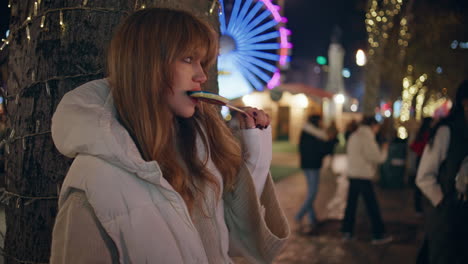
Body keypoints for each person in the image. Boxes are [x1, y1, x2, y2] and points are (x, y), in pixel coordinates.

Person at [49, 8, 289, 264]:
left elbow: (230, 239)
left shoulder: (197, 155)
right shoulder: (92, 189)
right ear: (147, 66)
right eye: (188, 59)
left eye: (202, 62)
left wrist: (255, 144)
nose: (202, 76)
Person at [416, 80, 468, 264]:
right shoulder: (446, 131)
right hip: (447, 219)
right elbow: (424, 177)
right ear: (464, 102)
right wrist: (443, 203)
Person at [341, 116, 392, 244]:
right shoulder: (367, 137)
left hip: (353, 174)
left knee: (351, 206)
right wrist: (385, 149)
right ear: (373, 125)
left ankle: (347, 232)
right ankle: (378, 234)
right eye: (377, 127)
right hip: (363, 176)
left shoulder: (354, 135)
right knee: (372, 206)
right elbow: (377, 158)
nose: (377, 130)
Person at [295, 115, 337, 233]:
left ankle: (312, 218)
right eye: (320, 121)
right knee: (312, 192)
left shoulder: (305, 132)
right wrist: (331, 141)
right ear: (316, 122)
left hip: (306, 165)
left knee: (310, 192)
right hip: (313, 166)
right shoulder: (316, 134)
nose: (322, 123)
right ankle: (299, 215)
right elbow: (322, 150)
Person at [409, 117, 433, 213]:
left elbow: (413, 146)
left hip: (419, 159)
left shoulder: (421, 133)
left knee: (420, 182)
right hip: (426, 159)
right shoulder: (429, 134)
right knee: (425, 180)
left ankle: (418, 206)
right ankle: (422, 206)